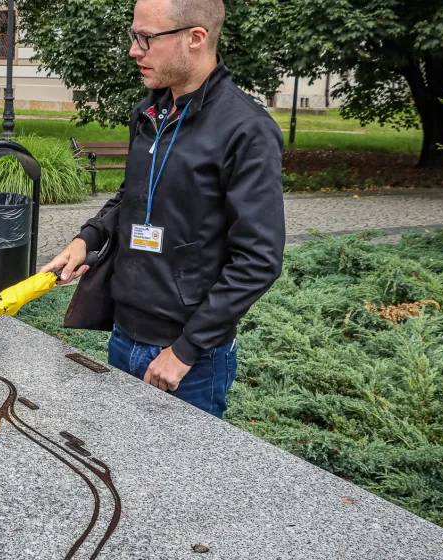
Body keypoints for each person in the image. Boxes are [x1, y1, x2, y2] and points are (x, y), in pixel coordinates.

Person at [42, 0, 285, 418]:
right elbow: (131, 196)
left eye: (147, 38)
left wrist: (185, 351)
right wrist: (87, 238)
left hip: (189, 360)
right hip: (123, 335)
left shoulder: (247, 129)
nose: (135, 50)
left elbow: (259, 260)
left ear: (196, 38)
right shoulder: (149, 111)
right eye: (134, 37)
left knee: (181, 482)